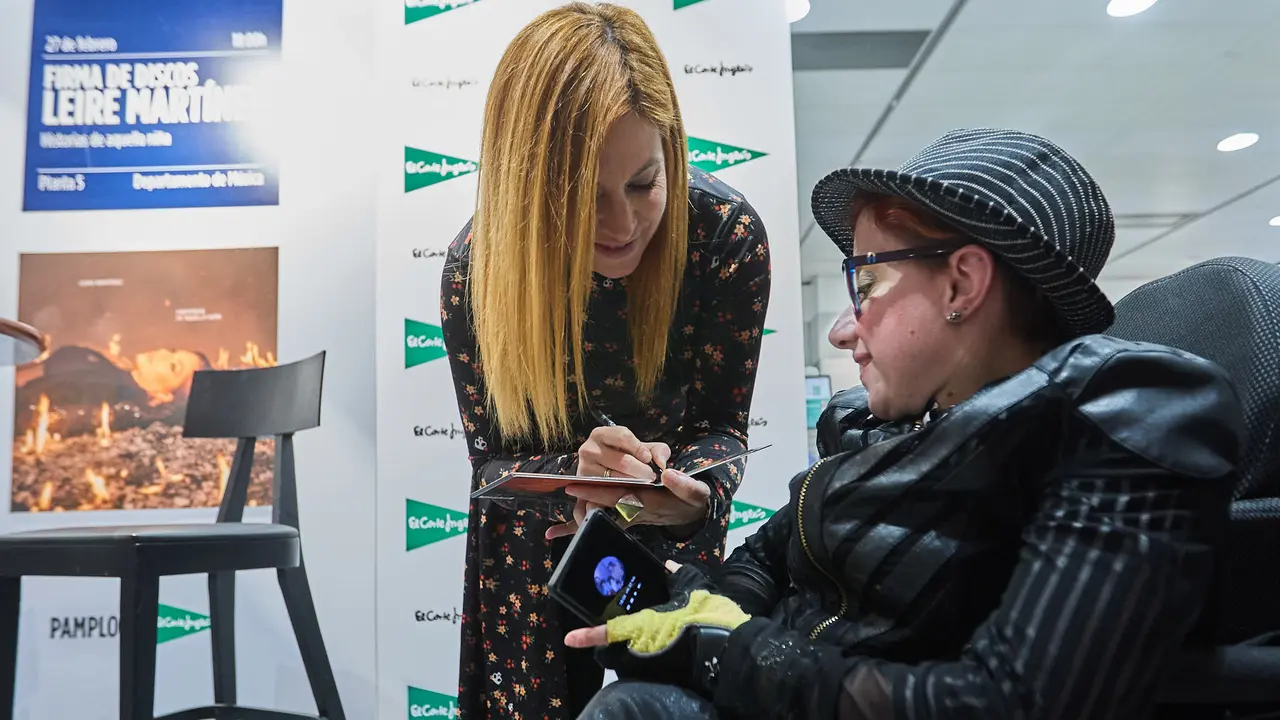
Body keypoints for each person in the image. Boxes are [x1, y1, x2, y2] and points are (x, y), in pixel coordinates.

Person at [564, 128, 1244, 719]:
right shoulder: (874, 427)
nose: (842, 330)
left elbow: (1013, 704)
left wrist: (724, 653)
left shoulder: (1123, 416)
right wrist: (699, 612)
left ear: (962, 285)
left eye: (866, 286)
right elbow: (769, 554)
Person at [438, 3, 771, 717]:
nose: (623, 226)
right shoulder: (478, 268)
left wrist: (692, 496)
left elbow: (723, 426)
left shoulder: (723, 236)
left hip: (671, 554)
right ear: (527, 190)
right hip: (530, 562)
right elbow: (491, 464)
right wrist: (575, 474)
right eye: (583, 198)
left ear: (671, 151)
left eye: (645, 184)